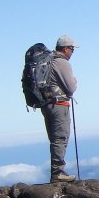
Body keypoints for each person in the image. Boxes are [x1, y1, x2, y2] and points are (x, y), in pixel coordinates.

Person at [43, 35, 79, 183]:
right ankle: (58, 172)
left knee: (55, 138)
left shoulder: (49, 61)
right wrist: (75, 81)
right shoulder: (61, 62)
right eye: (72, 49)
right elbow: (71, 87)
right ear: (65, 48)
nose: (73, 52)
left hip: (47, 104)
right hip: (58, 104)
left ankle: (56, 171)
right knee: (60, 138)